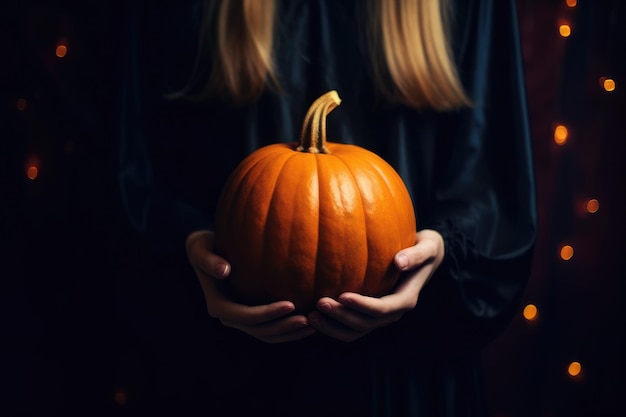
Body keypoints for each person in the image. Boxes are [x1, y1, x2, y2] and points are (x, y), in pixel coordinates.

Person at [115, 0, 536, 415]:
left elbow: (494, 176)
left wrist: (444, 248)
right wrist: (186, 244)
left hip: (405, 380)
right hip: (223, 372)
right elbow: (135, 167)